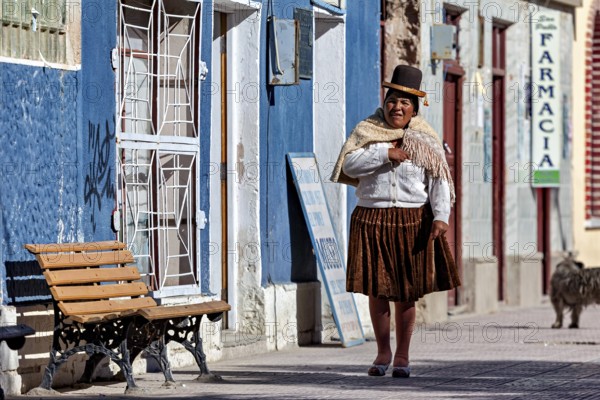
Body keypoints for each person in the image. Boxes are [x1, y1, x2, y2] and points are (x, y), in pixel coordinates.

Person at [330, 65, 461, 378]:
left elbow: (439, 180)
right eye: (392, 101)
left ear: (414, 108)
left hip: (412, 220)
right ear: (384, 102)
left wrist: (441, 216)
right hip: (371, 218)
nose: (397, 107)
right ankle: (382, 352)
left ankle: (402, 356)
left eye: (404, 103)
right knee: (377, 290)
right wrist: (386, 153)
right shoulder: (367, 132)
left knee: (405, 292)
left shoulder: (426, 139)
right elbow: (349, 163)